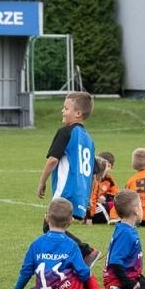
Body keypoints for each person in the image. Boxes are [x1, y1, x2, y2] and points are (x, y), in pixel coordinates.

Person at [11, 199, 123, 289]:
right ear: (71, 220)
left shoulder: (36, 244)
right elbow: (83, 272)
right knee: (82, 270)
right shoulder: (72, 245)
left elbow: (26, 271)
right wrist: (93, 287)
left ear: (46, 218)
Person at [37, 91, 101, 264]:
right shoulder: (89, 139)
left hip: (66, 190)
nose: (63, 111)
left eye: (66, 108)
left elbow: (52, 160)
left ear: (78, 113)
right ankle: (71, 262)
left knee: (49, 226)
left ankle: (86, 252)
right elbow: (94, 172)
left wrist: (42, 182)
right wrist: (87, 197)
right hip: (80, 193)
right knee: (54, 228)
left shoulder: (66, 132)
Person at [87, 150, 119, 224]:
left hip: (99, 205)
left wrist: (105, 196)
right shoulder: (91, 179)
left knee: (116, 203)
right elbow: (91, 199)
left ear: (111, 167)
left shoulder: (110, 180)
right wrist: (89, 218)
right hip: (90, 208)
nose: (103, 168)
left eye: (107, 166)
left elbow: (116, 194)